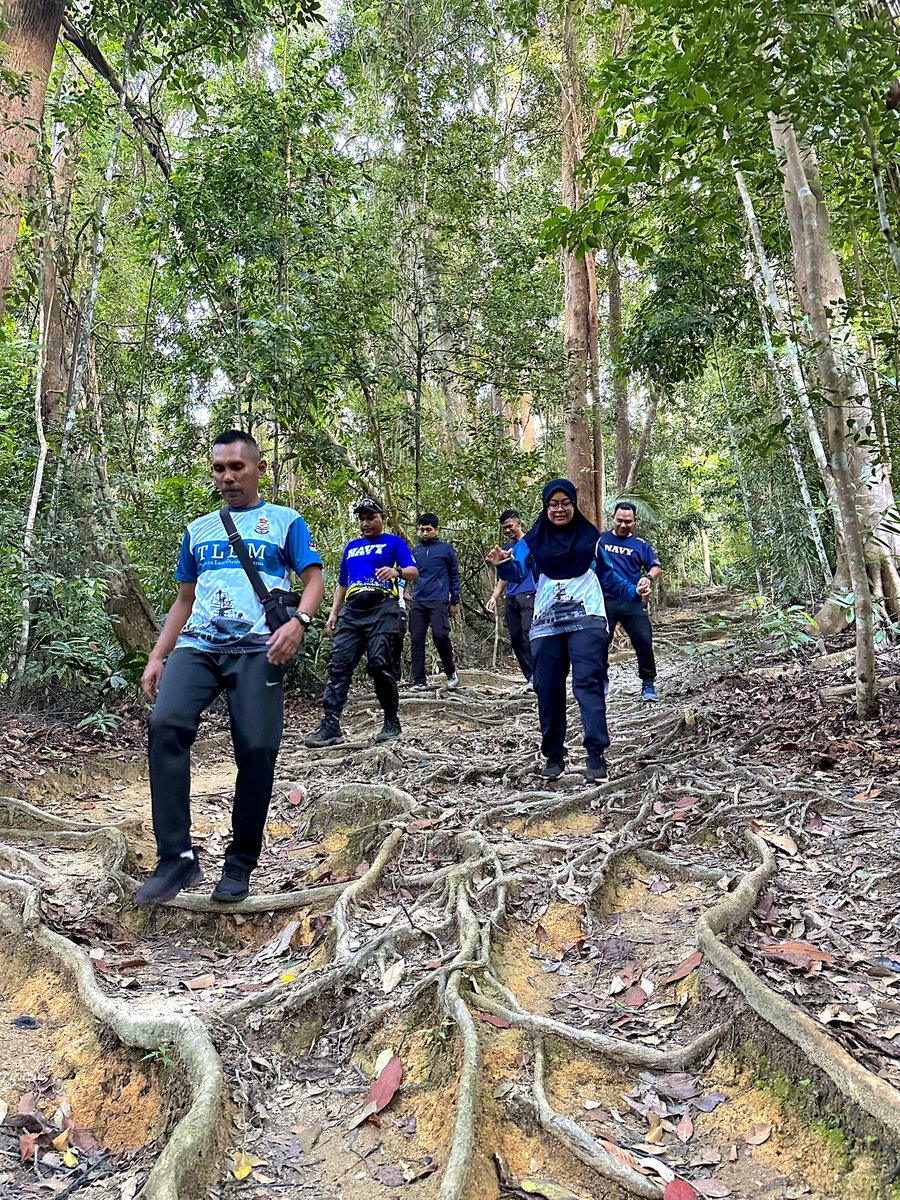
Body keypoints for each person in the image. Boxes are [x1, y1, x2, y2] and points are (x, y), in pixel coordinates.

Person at [137, 430, 325, 906]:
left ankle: (240, 861)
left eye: (237, 467)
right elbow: (184, 599)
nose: (227, 477)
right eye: (219, 468)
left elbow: (314, 579)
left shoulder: (285, 521)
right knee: (166, 723)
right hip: (198, 646)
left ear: (260, 469)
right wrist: (159, 655)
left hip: (258, 649)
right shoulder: (198, 529)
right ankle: (176, 856)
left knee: (258, 749)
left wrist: (299, 623)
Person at [486, 480, 649, 783]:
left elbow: (609, 578)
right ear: (546, 507)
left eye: (565, 503)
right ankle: (553, 756)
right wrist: (501, 565)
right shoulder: (532, 541)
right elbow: (517, 572)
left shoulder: (592, 540)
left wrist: (634, 589)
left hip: (588, 618)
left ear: (574, 505)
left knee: (587, 683)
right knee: (547, 688)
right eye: (553, 504)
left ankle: (596, 755)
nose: (559, 509)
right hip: (546, 624)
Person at [305, 498, 418, 748]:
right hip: (353, 610)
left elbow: (413, 571)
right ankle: (330, 726)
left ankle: (391, 721)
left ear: (382, 517)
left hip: (383, 607)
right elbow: (342, 583)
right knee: (339, 667)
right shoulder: (352, 547)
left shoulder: (394, 542)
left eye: (370, 517)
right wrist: (334, 613)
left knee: (379, 664)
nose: (365, 523)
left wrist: (396, 571)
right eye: (362, 518)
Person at [599, 501, 663, 701]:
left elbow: (655, 566)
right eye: (620, 520)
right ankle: (600, 681)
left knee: (643, 640)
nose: (623, 525)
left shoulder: (641, 545)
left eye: (628, 521)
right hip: (604, 602)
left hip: (633, 601)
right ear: (613, 519)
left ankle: (648, 683)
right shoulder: (600, 540)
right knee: (598, 643)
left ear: (635, 521)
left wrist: (648, 578)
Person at [409, 512, 461, 691]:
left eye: (428, 529)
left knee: (440, 635)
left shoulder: (446, 549)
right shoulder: (415, 551)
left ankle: (451, 672)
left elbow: (454, 574)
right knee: (417, 639)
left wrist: (455, 600)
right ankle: (419, 680)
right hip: (418, 600)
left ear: (436, 530)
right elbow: (409, 573)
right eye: (421, 529)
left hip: (439, 600)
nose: (424, 533)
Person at [486, 508, 536, 687]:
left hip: (530, 592)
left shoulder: (531, 542)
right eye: (504, 528)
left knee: (528, 633)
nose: (507, 530)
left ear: (519, 523)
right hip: (512, 596)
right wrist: (495, 596)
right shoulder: (506, 548)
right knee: (516, 637)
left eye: (510, 526)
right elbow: (504, 577)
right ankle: (530, 677)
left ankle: (540, 675)